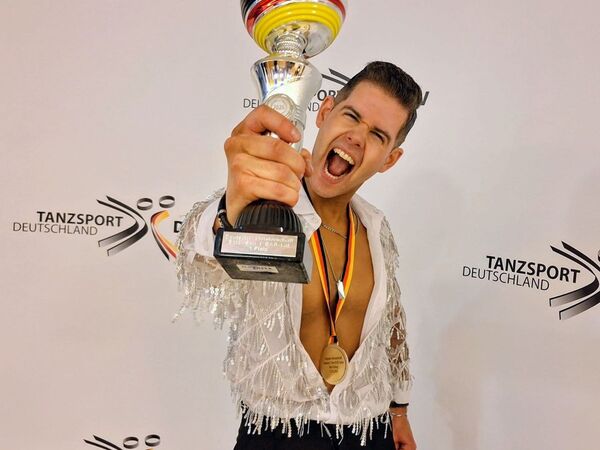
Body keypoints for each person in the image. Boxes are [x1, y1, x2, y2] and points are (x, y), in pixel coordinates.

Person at [175, 61, 422, 449]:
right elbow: (197, 255)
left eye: (377, 135)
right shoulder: (263, 211)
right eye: (351, 116)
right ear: (325, 113)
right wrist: (229, 213)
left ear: (389, 159)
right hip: (279, 431)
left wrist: (399, 410)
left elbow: (391, 322)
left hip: (368, 427)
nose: (357, 137)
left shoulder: (375, 227)